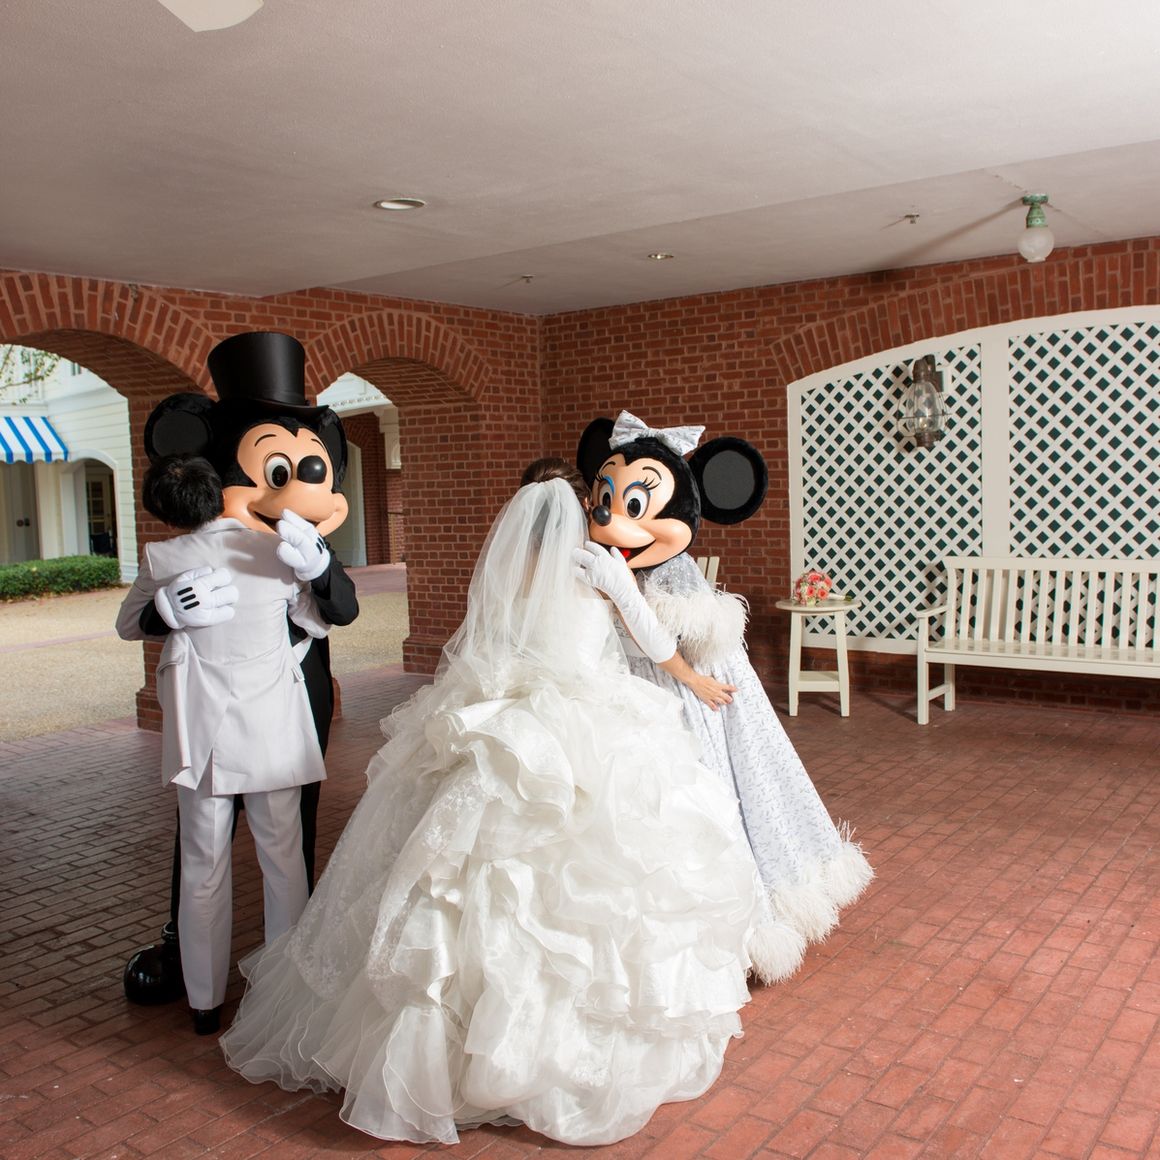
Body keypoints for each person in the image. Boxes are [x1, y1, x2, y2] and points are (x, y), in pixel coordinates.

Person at [220, 460, 764, 1146]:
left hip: (505, 715)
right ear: (576, 512)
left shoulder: (512, 569)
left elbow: (489, 643)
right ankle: (547, 1052)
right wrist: (693, 678)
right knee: (596, 876)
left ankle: (448, 1041)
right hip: (585, 720)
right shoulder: (598, 566)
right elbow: (651, 639)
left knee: (458, 876)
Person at [575, 413, 874, 983]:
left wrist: (681, 668)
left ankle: (745, 926)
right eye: (605, 500)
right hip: (640, 692)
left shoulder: (676, 572)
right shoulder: (610, 565)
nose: (611, 519)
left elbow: (674, 640)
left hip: (692, 692)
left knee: (715, 795)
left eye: (633, 505)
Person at [117, 454, 330, 1034]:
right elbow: (316, 622)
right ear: (218, 493)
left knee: (202, 866)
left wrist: (167, 611)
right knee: (283, 864)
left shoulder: (163, 559)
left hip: (204, 738)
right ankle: (282, 993)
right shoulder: (271, 550)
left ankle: (204, 1002)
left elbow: (129, 625)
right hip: (273, 732)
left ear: (165, 513)